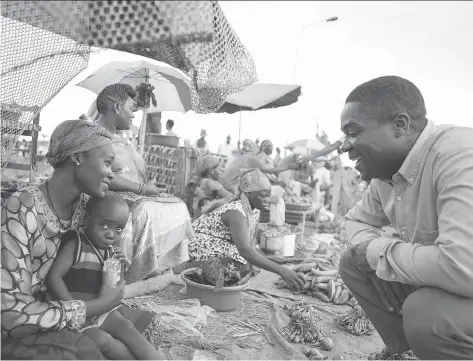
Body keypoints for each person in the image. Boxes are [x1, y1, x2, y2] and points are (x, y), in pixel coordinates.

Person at [338, 76, 473, 360]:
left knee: (427, 314)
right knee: (353, 262)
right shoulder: (386, 175)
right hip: (457, 282)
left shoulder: (459, 154)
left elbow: (462, 266)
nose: (344, 146)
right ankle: (411, 350)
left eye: (353, 132)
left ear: (400, 125)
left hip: (465, 278)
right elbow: (356, 221)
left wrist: (380, 254)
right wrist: (376, 259)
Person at [1, 119, 154, 359]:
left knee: (142, 328)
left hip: (74, 307)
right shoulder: (21, 207)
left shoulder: (87, 208)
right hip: (28, 323)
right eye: (107, 163)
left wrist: (113, 267)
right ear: (78, 157)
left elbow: (99, 259)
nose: (111, 173)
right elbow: (11, 314)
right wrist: (97, 307)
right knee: (91, 352)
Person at [94, 83, 193, 283]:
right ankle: (135, 270)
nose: (133, 115)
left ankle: (156, 263)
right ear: (116, 107)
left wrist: (147, 183)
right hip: (109, 197)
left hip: (134, 194)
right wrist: (141, 188)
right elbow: (100, 175)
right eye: (131, 109)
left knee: (178, 204)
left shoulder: (123, 137)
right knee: (146, 209)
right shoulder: (95, 136)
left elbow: (131, 170)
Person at [45, 192, 161, 360]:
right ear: (87, 219)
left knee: (127, 327)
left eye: (118, 229)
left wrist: (120, 265)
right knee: (104, 341)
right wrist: (73, 310)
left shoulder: (109, 252)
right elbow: (53, 277)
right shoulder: (76, 244)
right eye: (104, 226)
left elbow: (113, 285)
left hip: (102, 311)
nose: (111, 235)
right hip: (76, 317)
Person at [189, 169, 305, 290]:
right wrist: (281, 270)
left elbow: (252, 240)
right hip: (200, 243)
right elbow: (244, 250)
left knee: (248, 263)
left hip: (219, 242)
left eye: (268, 196)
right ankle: (193, 266)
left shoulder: (254, 209)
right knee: (240, 264)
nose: (267, 200)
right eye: (262, 196)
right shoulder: (236, 212)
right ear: (249, 194)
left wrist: (264, 262)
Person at [219, 139, 298, 193]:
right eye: (270, 146)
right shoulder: (254, 158)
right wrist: (288, 167)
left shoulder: (243, 157)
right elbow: (266, 170)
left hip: (225, 185)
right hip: (228, 188)